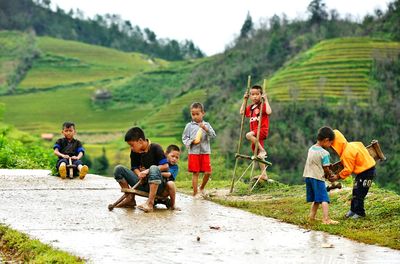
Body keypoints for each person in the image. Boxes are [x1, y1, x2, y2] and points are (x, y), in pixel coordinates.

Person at [113, 127, 169, 212]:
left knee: (153, 168)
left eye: (132, 145)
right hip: (141, 183)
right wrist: (139, 173)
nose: (131, 148)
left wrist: (147, 171)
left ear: (140, 141)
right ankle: (130, 198)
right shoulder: (134, 152)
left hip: (157, 185)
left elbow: (165, 166)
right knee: (118, 169)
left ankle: (150, 203)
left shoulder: (156, 148)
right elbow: (134, 167)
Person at [329, 129, 376, 219]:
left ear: (337, 145)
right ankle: (353, 210)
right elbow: (362, 147)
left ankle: (360, 213)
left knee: (359, 193)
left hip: (366, 172)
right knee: (355, 191)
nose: (333, 149)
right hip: (366, 170)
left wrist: (337, 176)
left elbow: (348, 169)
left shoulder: (346, 154)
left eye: (333, 146)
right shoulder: (354, 144)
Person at [303, 126, 339, 225]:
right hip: (318, 178)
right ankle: (326, 219)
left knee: (316, 199)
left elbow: (316, 162)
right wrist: (330, 174)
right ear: (326, 140)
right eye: (330, 143)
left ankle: (312, 217)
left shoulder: (311, 149)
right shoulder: (325, 153)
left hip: (308, 176)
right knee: (324, 199)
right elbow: (326, 168)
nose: (331, 145)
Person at [182, 102, 216, 197]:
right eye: (193, 114)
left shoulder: (207, 125)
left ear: (203, 113)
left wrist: (205, 129)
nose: (195, 116)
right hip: (193, 153)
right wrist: (192, 141)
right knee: (195, 173)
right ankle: (195, 193)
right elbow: (184, 138)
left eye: (197, 114)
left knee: (208, 172)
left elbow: (213, 135)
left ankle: (201, 188)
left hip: (205, 152)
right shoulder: (189, 126)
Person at [239, 85, 272, 180]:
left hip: (261, 130)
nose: (255, 96)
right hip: (255, 134)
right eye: (252, 94)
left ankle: (262, 150)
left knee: (248, 135)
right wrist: (244, 100)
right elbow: (242, 112)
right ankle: (264, 174)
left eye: (257, 94)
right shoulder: (251, 108)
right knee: (258, 154)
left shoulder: (262, 105)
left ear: (261, 95)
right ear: (250, 96)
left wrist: (266, 100)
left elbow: (269, 112)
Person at [160, 144, 181, 209]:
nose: (174, 159)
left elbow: (168, 174)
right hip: (155, 188)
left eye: (176, 157)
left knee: (171, 183)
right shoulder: (161, 162)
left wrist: (155, 172)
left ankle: (172, 204)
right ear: (166, 154)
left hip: (164, 192)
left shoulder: (175, 167)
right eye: (172, 156)